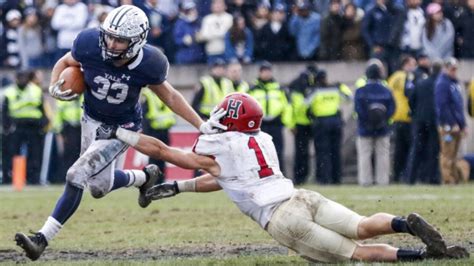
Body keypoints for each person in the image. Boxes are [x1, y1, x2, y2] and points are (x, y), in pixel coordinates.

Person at [96, 92, 468, 263]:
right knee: (361, 227)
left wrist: (120, 133)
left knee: (357, 253)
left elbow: (163, 152)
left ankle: (421, 257)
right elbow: (227, 180)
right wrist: (179, 186)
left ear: (233, 120)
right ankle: (405, 223)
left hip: (282, 218)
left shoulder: (221, 147)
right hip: (302, 197)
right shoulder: (263, 138)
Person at [14, 5, 224, 261]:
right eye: (110, 36)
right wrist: (54, 84)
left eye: (120, 40)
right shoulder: (89, 43)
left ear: (137, 41)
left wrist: (200, 125)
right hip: (90, 118)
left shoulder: (150, 63)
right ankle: (144, 177)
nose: (111, 43)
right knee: (98, 187)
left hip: (121, 128)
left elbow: (170, 95)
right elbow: (66, 61)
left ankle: (41, 238)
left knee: (76, 174)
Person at [1, 70, 49, 185]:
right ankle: (11, 178)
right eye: (20, 78)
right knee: (12, 153)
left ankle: (34, 179)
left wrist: (43, 124)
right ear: (16, 79)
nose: (22, 80)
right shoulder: (9, 92)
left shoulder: (36, 91)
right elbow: (5, 112)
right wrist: (7, 127)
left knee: (35, 154)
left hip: (33, 127)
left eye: (24, 78)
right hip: (16, 126)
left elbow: (42, 109)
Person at [247, 61, 292, 174]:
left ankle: (280, 174)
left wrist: (285, 122)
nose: (266, 74)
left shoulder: (279, 88)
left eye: (268, 71)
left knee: (278, 151)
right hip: (259, 125)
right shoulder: (252, 89)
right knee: (259, 152)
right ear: (260, 73)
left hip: (276, 124)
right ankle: (262, 176)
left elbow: (287, 106)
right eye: (264, 71)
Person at [307, 70, 352, 184]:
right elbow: (349, 98)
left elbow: (304, 103)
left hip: (321, 123)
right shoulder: (335, 89)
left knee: (323, 152)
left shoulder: (315, 91)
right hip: (335, 122)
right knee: (335, 151)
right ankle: (336, 178)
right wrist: (341, 86)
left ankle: (324, 179)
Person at [355, 63, 395, 186]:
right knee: (383, 155)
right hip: (382, 128)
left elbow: (358, 109)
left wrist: (367, 122)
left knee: (364, 155)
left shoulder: (360, 91)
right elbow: (392, 108)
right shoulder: (386, 90)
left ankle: (365, 180)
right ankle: (382, 180)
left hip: (364, 128)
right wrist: (383, 121)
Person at [406, 61, 442, 184]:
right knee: (433, 150)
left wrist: (416, 113)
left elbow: (411, 100)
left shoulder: (420, 83)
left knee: (416, 149)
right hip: (433, 121)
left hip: (419, 120)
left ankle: (411, 178)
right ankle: (432, 178)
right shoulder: (440, 84)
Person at [434, 57, 466, 184]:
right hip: (447, 125)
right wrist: (451, 123)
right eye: (452, 69)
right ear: (445, 69)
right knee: (447, 154)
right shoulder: (442, 83)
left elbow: (459, 106)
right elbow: (443, 106)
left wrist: (463, 124)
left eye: (455, 69)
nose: (454, 71)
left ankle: (454, 178)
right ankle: (447, 179)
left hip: (457, 124)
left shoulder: (454, 83)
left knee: (454, 154)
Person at [387, 55, 417, 183]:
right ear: (406, 64)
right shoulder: (407, 77)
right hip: (406, 117)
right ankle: (406, 175)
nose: (414, 67)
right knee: (409, 149)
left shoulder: (393, 77)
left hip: (395, 117)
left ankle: (396, 175)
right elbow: (409, 94)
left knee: (399, 150)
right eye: (412, 64)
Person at [288, 64, 318, 184]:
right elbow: (296, 107)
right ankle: (299, 177)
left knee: (305, 153)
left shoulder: (303, 85)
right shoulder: (297, 88)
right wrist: (292, 125)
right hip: (300, 125)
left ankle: (305, 176)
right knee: (301, 153)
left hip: (309, 123)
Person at [141, 87, 176, 183]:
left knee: (164, 157)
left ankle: (161, 181)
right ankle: (151, 181)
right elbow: (144, 115)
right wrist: (146, 133)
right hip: (153, 132)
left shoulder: (165, 92)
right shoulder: (147, 94)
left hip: (165, 131)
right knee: (153, 159)